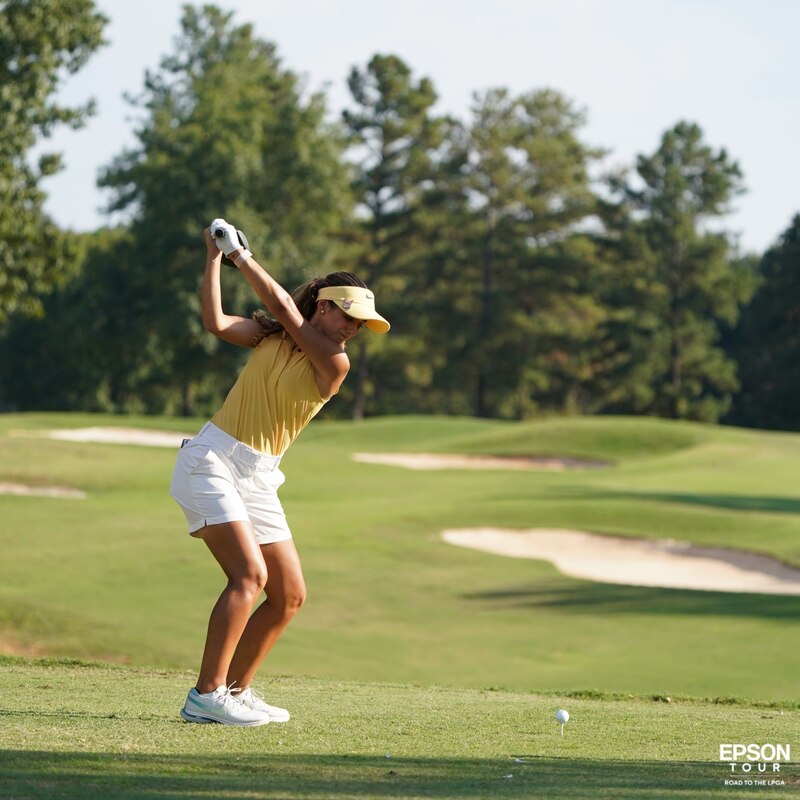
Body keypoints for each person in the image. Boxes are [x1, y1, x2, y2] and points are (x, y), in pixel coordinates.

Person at [170, 219, 390, 726]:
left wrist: (241, 257)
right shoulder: (273, 337)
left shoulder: (333, 364)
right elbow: (217, 324)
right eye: (349, 316)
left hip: (259, 476)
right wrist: (213, 257)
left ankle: (235, 690)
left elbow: (286, 311)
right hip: (211, 460)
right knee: (249, 577)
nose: (355, 328)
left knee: (288, 594)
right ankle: (205, 697)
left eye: (362, 322)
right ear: (325, 306)